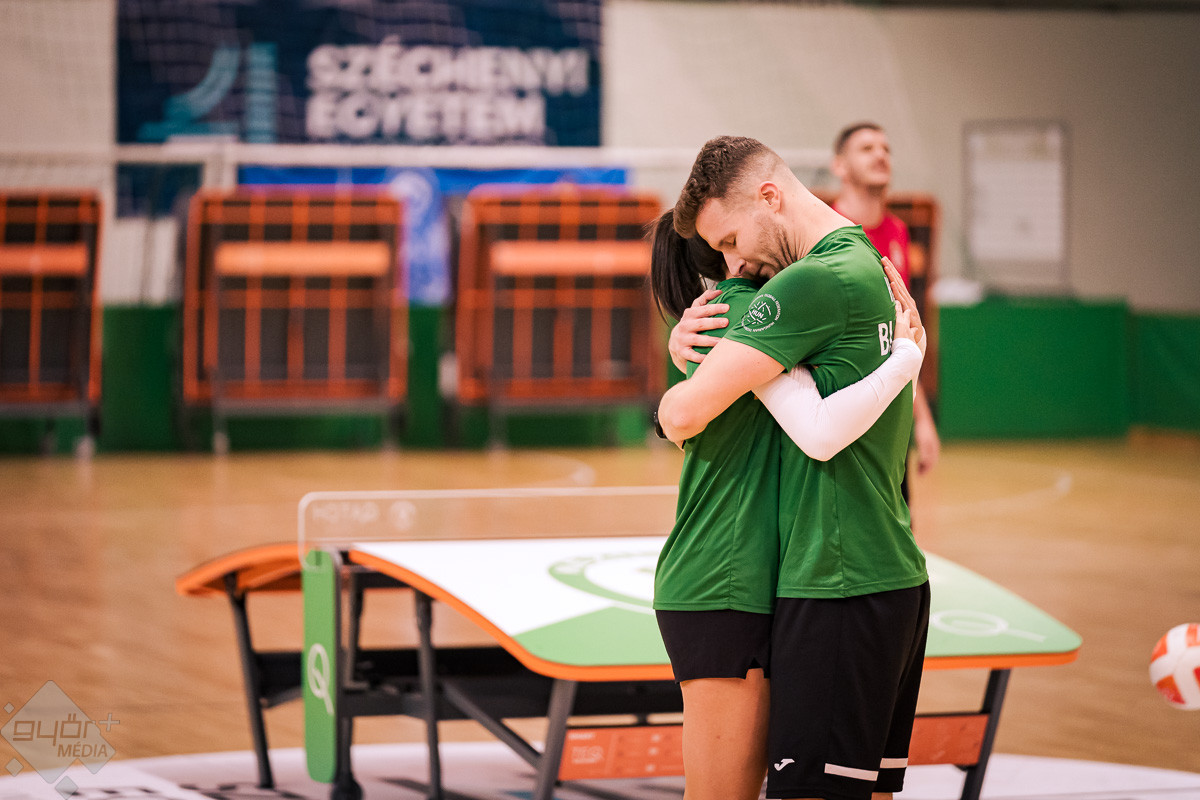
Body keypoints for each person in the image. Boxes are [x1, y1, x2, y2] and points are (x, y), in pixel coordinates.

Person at [656, 136, 930, 800]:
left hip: (830, 578)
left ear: (770, 197)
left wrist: (672, 387)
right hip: (849, 574)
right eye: (719, 253)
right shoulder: (867, 263)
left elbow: (700, 415)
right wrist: (908, 361)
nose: (736, 260)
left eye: (732, 239)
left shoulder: (807, 285)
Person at [830, 121, 940, 476]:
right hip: (841, 410)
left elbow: (900, 332)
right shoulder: (825, 230)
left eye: (886, 149)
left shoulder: (897, 232)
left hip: (891, 413)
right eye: (867, 148)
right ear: (839, 166)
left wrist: (922, 419)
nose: (880, 155)